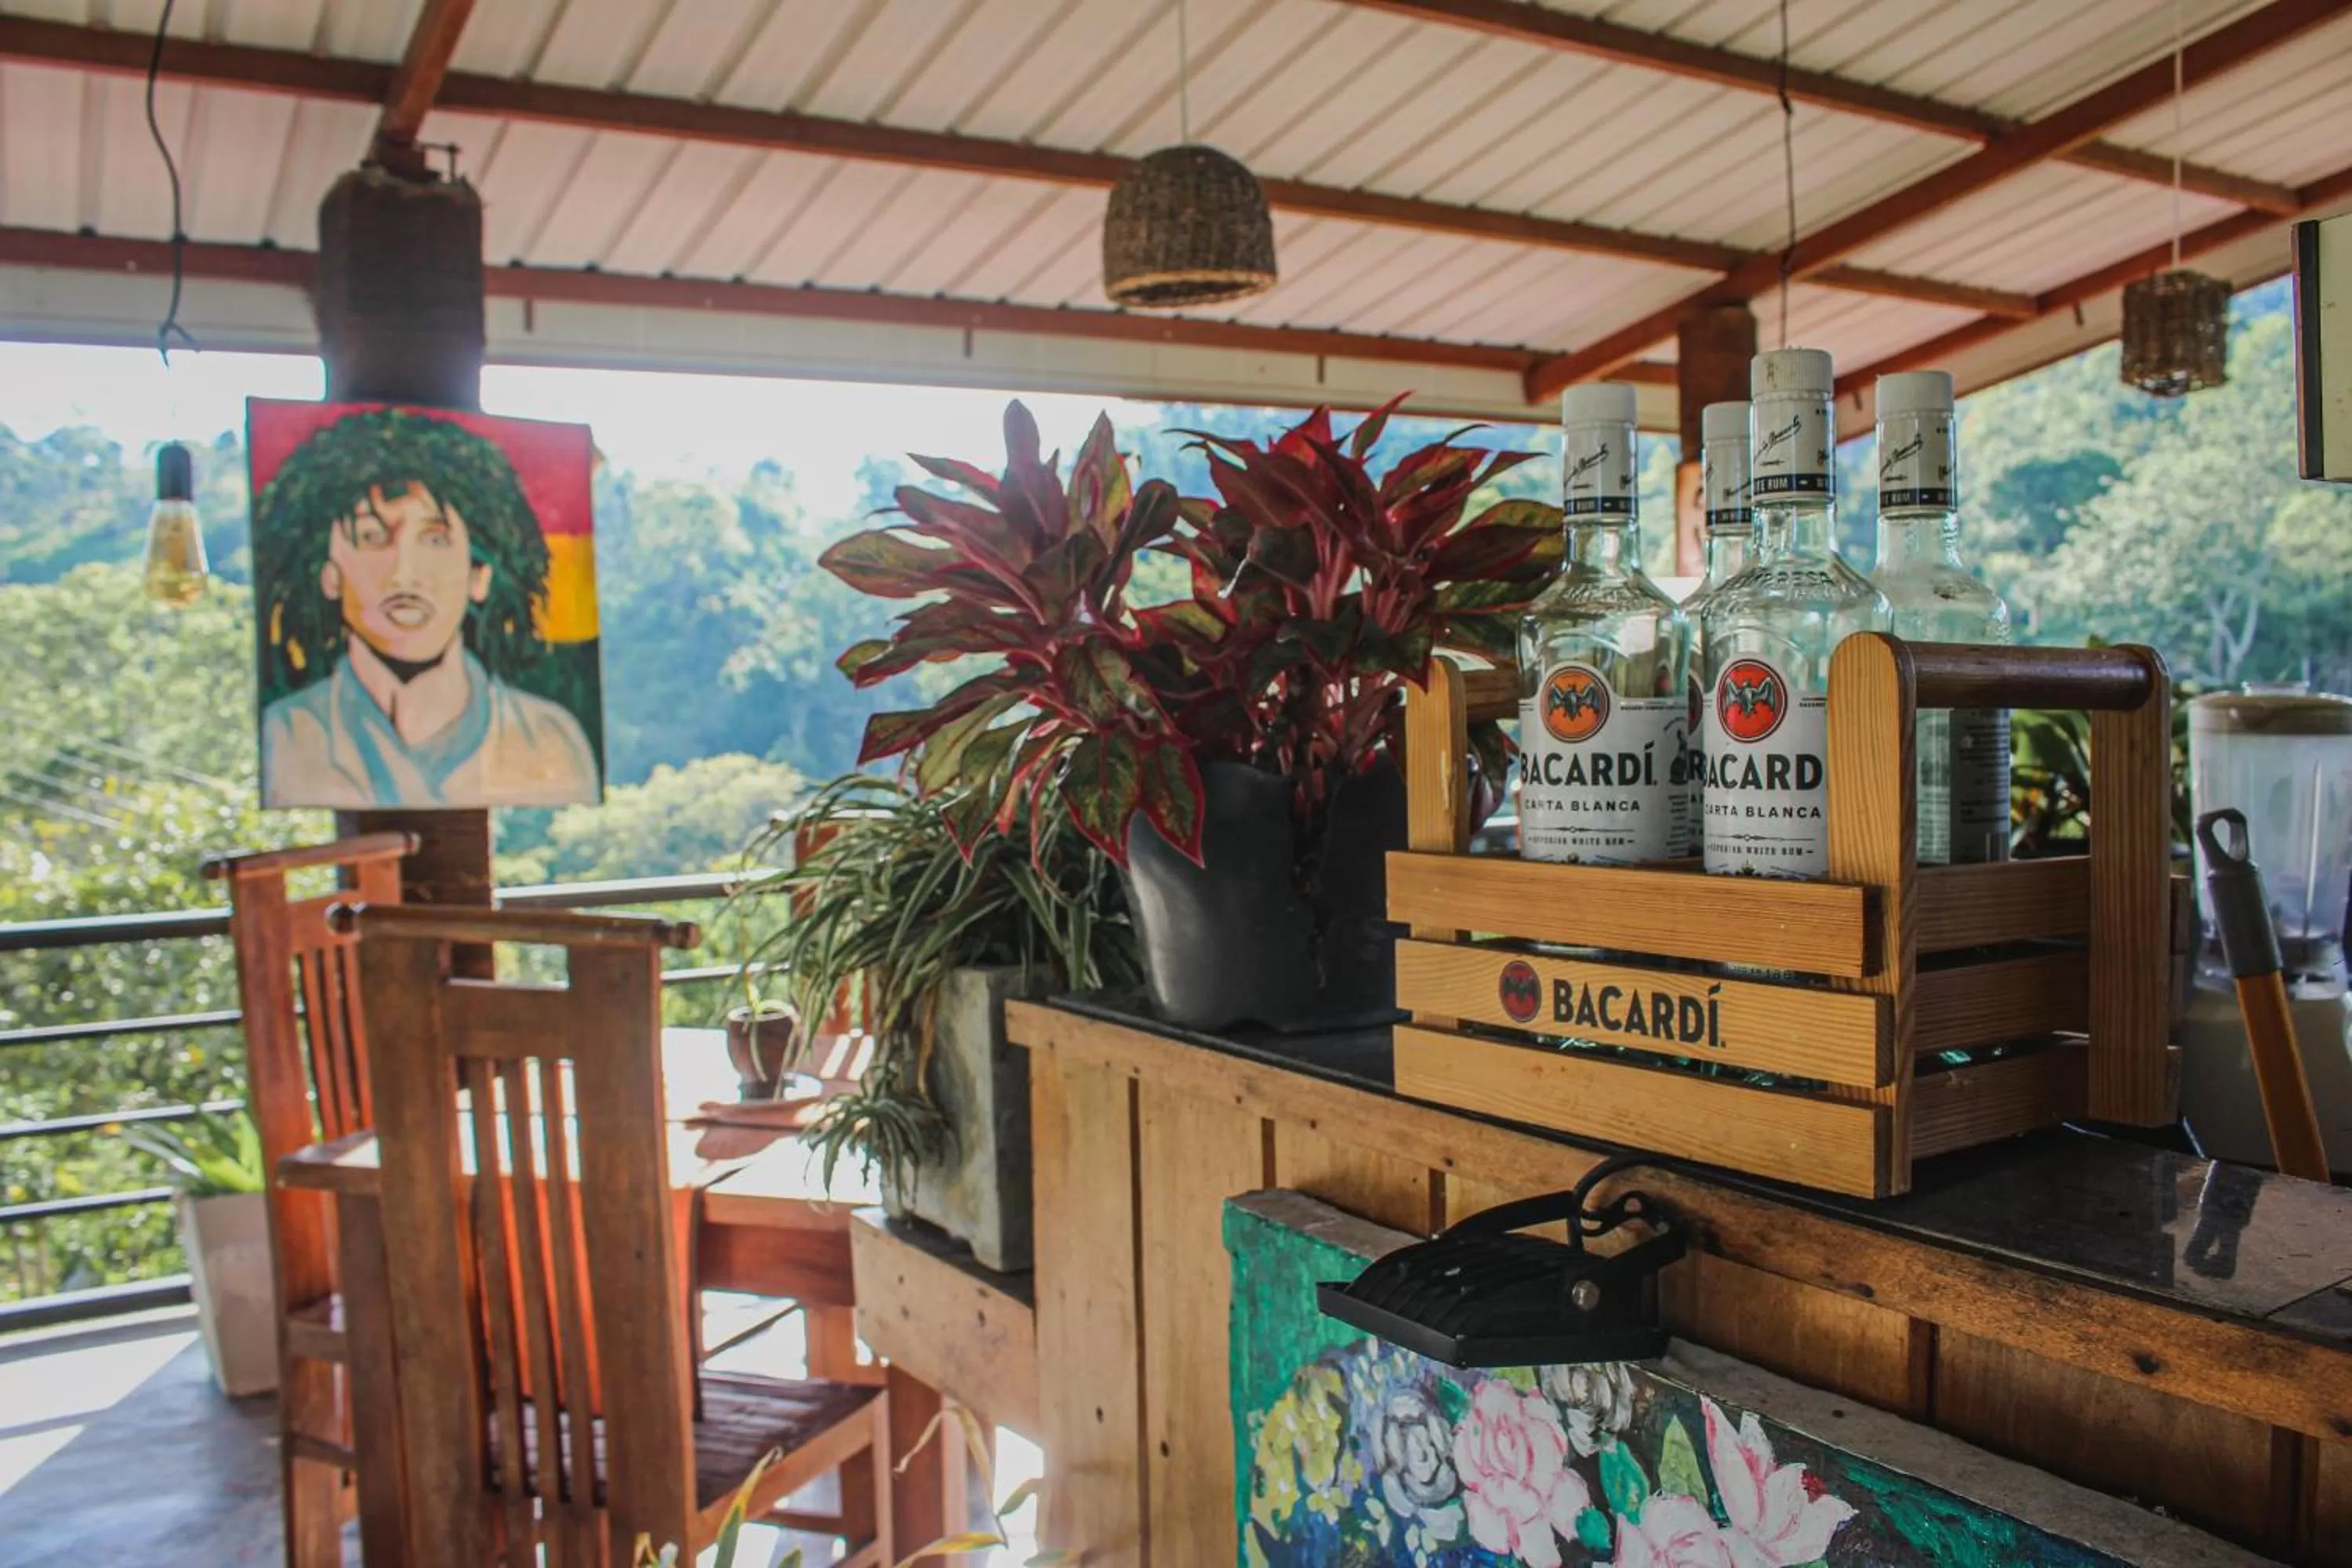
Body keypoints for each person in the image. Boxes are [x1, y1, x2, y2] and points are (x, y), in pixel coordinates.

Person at [255, 407, 599, 808]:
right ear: (328, 574)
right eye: (371, 536)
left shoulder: (550, 738)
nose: (404, 574)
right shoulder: (285, 735)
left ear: (479, 575)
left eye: (435, 540)